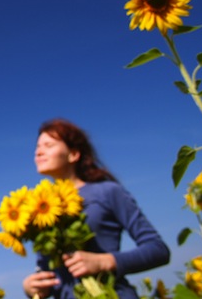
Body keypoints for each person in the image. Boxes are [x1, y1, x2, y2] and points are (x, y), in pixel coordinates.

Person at [22, 119, 170, 299]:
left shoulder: (107, 192)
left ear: (73, 154)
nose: (38, 152)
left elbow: (158, 250)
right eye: (37, 146)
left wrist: (105, 261)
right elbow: (49, 272)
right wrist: (31, 287)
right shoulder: (37, 208)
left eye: (48, 145)